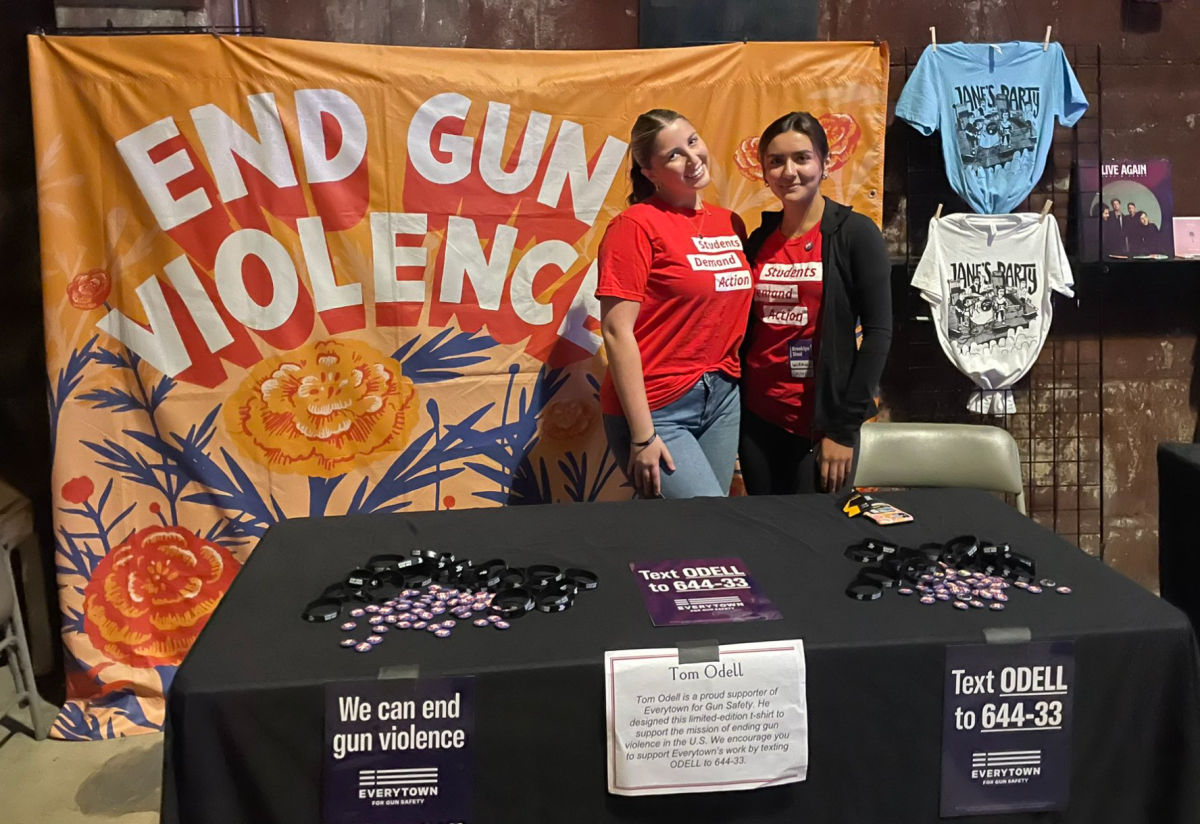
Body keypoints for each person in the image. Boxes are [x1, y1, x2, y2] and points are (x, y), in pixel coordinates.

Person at [596, 109, 753, 499]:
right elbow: (617, 332)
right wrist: (642, 435)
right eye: (673, 155)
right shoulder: (634, 226)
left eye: (693, 141)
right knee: (704, 522)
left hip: (721, 399)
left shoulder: (730, 223)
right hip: (659, 406)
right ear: (649, 172)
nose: (692, 157)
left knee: (701, 535)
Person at [738, 112, 892, 495]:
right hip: (758, 420)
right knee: (768, 538)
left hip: (823, 426)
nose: (789, 171)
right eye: (776, 161)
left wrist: (843, 429)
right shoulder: (759, 239)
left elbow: (878, 335)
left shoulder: (855, 234)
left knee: (817, 538)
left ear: (824, 163)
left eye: (801, 158)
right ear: (764, 171)